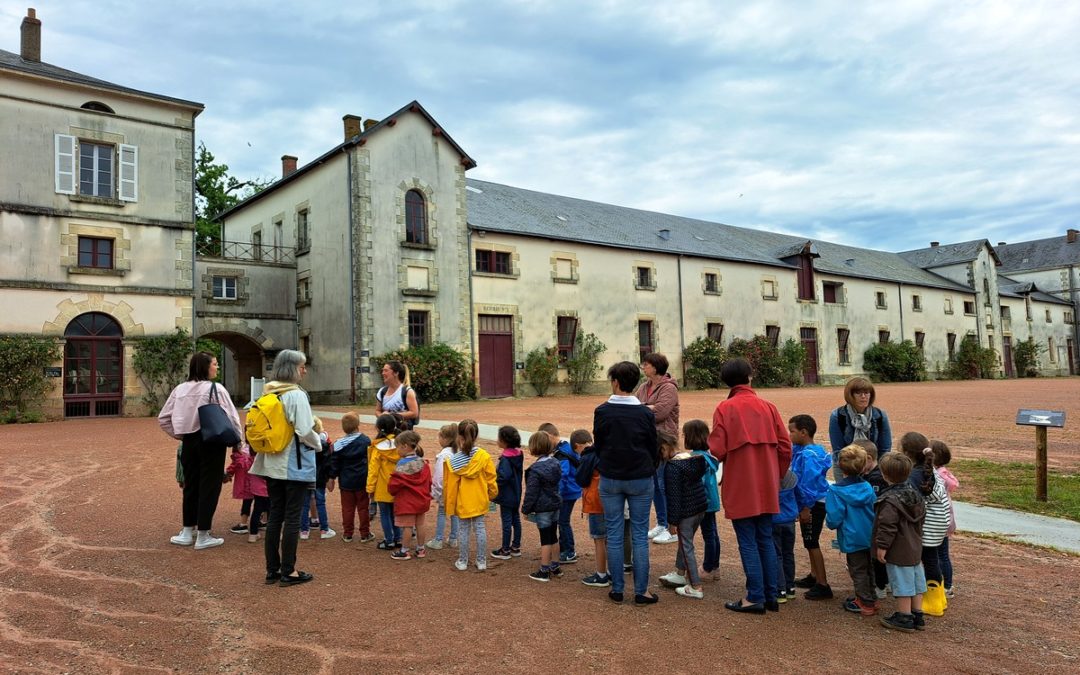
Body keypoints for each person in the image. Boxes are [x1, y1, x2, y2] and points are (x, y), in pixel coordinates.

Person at [708, 357, 792, 615]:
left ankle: (754, 596)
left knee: (748, 540)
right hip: (766, 482)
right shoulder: (768, 406)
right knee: (765, 538)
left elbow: (716, 450)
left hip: (740, 483)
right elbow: (785, 446)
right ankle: (770, 595)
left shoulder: (725, 408)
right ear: (749, 377)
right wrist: (774, 474)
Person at [249, 349, 321, 586]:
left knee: (275, 516)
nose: (304, 370)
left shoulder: (268, 392)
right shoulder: (296, 395)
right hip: (294, 464)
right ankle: (288, 571)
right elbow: (304, 430)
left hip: (271, 463)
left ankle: (272, 569)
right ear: (292, 368)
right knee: (291, 518)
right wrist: (319, 443)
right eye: (301, 366)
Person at [159, 351, 243, 550]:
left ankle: (188, 531)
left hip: (189, 442)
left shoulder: (179, 389)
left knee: (191, 485)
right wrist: (237, 442)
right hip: (212, 442)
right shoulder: (216, 389)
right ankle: (203, 534)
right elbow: (232, 418)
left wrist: (180, 434)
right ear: (205, 367)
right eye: (214, 364)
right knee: (210, 486)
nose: (217, 367)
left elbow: (163, 418)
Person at [593, 361, 660, 605]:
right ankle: (642, 591)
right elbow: (653, 446)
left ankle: (618, 588)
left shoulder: (602, 411)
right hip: (640, 477)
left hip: (611, 477)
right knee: (640, 534)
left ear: (616, 382)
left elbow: (598, 444)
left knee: (614, 532)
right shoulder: (644, 413)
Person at [873, 452, 927, 632]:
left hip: (899, 549)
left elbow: (887, 525)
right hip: (915, 546)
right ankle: (917, 613)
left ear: (884, 475)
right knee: (917, 581)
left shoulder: (890, 500)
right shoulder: (916, 495)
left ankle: (904, 616)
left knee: (902, 582)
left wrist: (882, 546)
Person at [900, 432, 951, 617]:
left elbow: (913, 503)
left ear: (906, 453)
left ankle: (933, 602)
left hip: (928, 526)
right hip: (939, 524)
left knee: (929, 561)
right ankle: (940, 598)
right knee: (934, 559)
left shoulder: (915, 475)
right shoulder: (930, 471)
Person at [826, 445, 878, 616]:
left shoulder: (836, 491)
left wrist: (831, 523)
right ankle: (871, 597)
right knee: (868, 567)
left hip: (852, 537)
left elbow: (834, 517)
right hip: (870, 535)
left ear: (840, 465)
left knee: (858, 570)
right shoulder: (868, 487)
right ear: (864, 467)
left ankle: (865, 603)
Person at [656, 431, 708, 600]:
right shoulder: (691, 458)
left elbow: (674, 498)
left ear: (664, 448)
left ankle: (695, 586)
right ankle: (680, 573)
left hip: (686, 512)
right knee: (685, 543)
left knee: (686, 548)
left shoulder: (672, 468)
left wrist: (672, 522)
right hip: (699, 508)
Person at [635, 353, 680, 546]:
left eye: (646, 364)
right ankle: (662, 523)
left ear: (656, 367)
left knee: (664, 485)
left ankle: (673, 528)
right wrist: (649, 407)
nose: (643, 367)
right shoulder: (644, 387)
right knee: (654, 485)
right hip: (648, 441)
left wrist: (644, 407)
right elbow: (634, 407)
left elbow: (660, 412)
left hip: (664, 442)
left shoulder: (669, 388)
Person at [788, 414, 833, 600]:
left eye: (792, 431)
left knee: (812, 541)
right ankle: (814, 576)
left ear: (803, 432)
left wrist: (805, 507)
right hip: (813, 503)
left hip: (813, 504)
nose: (789, 435)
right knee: (809, 541)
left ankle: (823, 584)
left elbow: (809, 484)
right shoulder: (809, 450)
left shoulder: (808, 456)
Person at [444, 419, 498, 571]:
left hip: (463, 501)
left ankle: (462, 561)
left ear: (459, 437)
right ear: (476, 436)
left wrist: (451, 504)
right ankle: (481, 562)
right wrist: (492, 495)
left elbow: (451, 486)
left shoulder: (453, 461)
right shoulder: (484, 456)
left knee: (464, 530)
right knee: (480, 528)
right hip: (480, 499)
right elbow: (491, 480)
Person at [828, 377, 892, 480]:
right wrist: (853, 467)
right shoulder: (838, 416)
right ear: (850, 395)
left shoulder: (879, 415)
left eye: (867, 393)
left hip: (873, 467)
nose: (863, 397)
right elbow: (838, 450)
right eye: (858, 393)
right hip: (846, 467)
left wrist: (873, 467)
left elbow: (885, 448)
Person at [522, 431, 563, 582]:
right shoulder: (556, 463)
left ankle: (544, 570)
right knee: (553, 536)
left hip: (543, 508)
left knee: (545, 539)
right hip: (555, 504)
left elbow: (531, 493)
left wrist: (525, 509)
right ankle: (555, 566)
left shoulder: (535, 470)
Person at [573, 429, 612, 588]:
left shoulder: (588, 456)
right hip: (611, 499)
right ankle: (611, 571)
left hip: (595, 501)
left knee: (599, 539)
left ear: (577, 446)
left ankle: (601, 574)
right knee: (610, 538)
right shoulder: (606, 453)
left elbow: (581, 479)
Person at [683, 419, 721, 580]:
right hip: (711, 500)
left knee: (708, 535)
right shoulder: (708, 456)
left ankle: (707, 567)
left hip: (701, 501)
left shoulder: (695, 458)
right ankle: (714, 566)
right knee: (712, 533)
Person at [328, 412, 373, 544]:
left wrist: (331, 478)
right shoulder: (365, 440)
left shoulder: (338, 445)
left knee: (347, 508)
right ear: (358, 425)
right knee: (363, 508)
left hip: (346, 481)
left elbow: (334, 464)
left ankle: (348, 534)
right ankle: (365, 534)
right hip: (362, 479)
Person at [540, 422, 581, 564]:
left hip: (567, 492)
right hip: (570, 490)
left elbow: (562, 475)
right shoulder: (565, 447)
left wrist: (557, 495)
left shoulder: (562, 452)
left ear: (549, 436)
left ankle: (569, 552)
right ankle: (564, 548)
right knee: (562, 521)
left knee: (563, 521)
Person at [387, 430, 432, 560]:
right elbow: (429, 482)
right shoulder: (424, 463)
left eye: (398, 447)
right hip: (421, 500)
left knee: (407, 527)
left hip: (407, 502)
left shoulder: (401, 465)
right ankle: (421, 549)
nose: (397, 450)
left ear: (405, 446)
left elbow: (393, 485)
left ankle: (405, 551)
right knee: (420, 525)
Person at [855, 439, 889, 598]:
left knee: (877, 557)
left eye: (858, 460)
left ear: (868, 459)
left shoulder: (877, 478)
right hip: (871, 523)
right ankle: (884, 583)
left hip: (877, 524)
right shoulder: (866, 474)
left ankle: (880, 586)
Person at [368, 413, 404, 550]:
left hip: (383, 487)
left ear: (378, 428)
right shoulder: (401, 445)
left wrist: (370, 488)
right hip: (399, 486)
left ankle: (388, 540)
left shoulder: (378, 449)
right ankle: (398, 538)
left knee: (385, 514)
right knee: (395, 513)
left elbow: (373, 470)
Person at [224, 443, 268, 545]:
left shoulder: (244, 452)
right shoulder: (265, 451)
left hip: (249, 485)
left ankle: (244, 524)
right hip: (263, 485)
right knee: (265, 504)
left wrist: (228, 472)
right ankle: (265, 522)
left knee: (249, 503)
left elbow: (236, 463)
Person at [491, 425, 524, 560]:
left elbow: (504, 476)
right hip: (516, 492)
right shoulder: (518, 453)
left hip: (506, 495)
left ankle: (505, 550)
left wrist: (494, 484)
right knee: (516, 520)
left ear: (504, 441)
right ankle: (515, 547)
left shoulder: (505, 459)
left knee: (506, 521)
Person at [932, 440, 960, 597]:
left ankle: (946, 586)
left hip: (940, 520)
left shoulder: (939, 473)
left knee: (940, 555)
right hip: (945, 520)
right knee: (941, 554)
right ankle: (946, 585)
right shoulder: (944, 471)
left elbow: (951, 484)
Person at [426, 423, 460, 550]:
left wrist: (436, 491)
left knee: (441, 513)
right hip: (456, 489)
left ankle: (438, 539)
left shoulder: (443, 455)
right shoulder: (457, 453)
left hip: (445, 490)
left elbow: (440, 476)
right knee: (454, 513)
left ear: (445, 439)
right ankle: (453, 538)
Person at [300, 418, 335, 541]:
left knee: (304, 504)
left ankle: (304, 530)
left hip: (305, 476)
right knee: (321, 502)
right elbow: (328, 463)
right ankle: (324, 529)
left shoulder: (303, 443)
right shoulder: (325, 445)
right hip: (319, 478)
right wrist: (328, 477)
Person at [772, 467, 798, 603]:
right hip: (789, 520)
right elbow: (800, 495)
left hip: (775, 520)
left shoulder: (769, 475)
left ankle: (780, 589)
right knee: (788, 553)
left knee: (777, 555)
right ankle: (790, 588)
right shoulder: (791, 476)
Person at [374, 360, 420, 429]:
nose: (383, 373)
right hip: (386, 432)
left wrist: (391, 416)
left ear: (396, 373)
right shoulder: (382, 392)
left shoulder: (407, 391)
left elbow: (414, 413)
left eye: (386, 371)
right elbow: (377, 410)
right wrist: (382, 417)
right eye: (383, 370)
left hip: (403, 433)